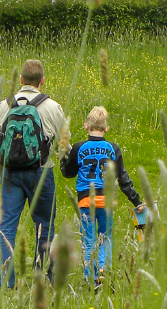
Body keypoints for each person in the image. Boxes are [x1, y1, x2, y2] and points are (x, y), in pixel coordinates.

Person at [0, 59, 67, 289]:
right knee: (45, 226)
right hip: (41, 173)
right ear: (42, 81)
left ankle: (3, 282)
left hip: (10, 174)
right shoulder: (52, 107)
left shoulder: (4, 106)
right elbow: (64, 143)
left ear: (21, 80)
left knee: (5, 228)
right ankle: (43, 278)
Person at [60, 106, 145, 289]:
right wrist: (136, 201)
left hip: (85, 201)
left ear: (86, 126)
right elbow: (123, 179)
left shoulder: (79, 148)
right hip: (106, 202)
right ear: (106, 128)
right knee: (105, 238)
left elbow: (68, 173)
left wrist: (63, 159)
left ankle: (89, 278)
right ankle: (103, 274)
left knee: (88, 240)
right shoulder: (113, 149)